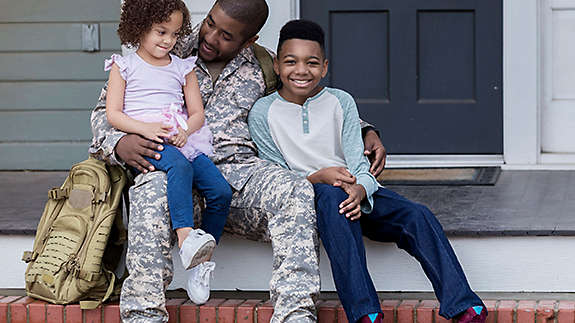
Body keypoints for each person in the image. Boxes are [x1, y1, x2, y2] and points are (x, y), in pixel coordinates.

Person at [90, 0, 387, 321]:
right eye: (210, 23)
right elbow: (104, 114)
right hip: (177, 176)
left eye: (226, 36)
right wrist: (119, 144)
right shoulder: (167, 45)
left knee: (296, 190)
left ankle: (296, 314)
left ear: (249, 41)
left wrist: (364, 130)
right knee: (151, 190)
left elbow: (311, 98)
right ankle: (143, 316)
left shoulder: (263, 64)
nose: (210, 37)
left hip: (241, 176)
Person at [248, 19, 488, 323]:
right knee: (332, 197)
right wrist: (318, 176)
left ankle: (463, 304)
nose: (301, 70)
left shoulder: (340, 101)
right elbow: (276, 174)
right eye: (291, 61)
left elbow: (357, 160)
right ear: (277, 65)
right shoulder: (262, 113)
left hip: (355, 190)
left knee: (417, 215)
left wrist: (362, 187)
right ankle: (365, 313)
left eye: (311, 63)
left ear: (324, 67)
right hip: (307, 197)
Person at [103, 0, 233, 305]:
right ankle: (186, 238)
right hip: (146, 144)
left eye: (175, 34)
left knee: (220, 191)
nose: (168, 40)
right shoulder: (125, 66)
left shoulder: (182, 67)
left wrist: (186, 130)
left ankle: (200, 266)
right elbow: (113, 114)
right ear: (139, 27)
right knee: (180, 169)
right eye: (161, 32)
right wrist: (143, 129)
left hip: (180, 140)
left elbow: (198, 113)